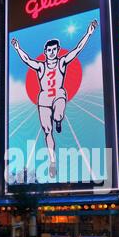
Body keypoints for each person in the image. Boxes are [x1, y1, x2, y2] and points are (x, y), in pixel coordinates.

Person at [11, 20, 98, 178]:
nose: (51, 52)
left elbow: (77, 50)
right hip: (43, 98)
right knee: (47, 130)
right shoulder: (41, 66)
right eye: (49, 50)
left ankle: (58, 119)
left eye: (54, 49)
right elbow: (27, 60)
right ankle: (52, 161)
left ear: (58, 50)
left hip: (58, 94)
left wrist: (89, 33)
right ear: (45, 51)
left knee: (58, 115)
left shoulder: (62, 62)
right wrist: (17, 48)